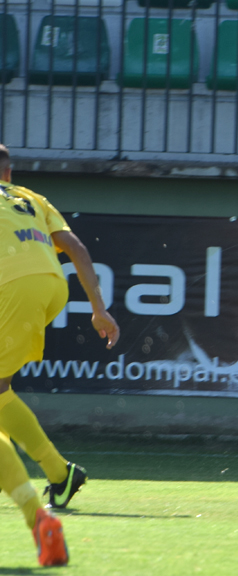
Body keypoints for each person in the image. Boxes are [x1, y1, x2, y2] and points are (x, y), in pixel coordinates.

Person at [0, 143, 120, 565]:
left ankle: (39, 515)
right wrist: (99, 309)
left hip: (11, 286)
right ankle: (60, 475)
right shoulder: (32, 199)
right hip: (52, 284)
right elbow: (78, 250)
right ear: (8, 173)